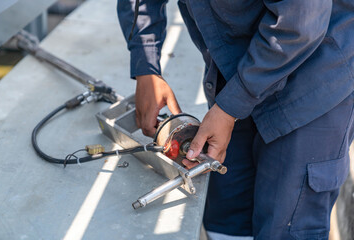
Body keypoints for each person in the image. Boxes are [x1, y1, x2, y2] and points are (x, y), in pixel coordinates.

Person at [118, 0, 354, 239]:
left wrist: (231, 106)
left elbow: (302, 21)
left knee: (286, 228)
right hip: (230, 68)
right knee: (225, 222)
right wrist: (145, 64)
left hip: (312, 76)